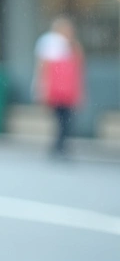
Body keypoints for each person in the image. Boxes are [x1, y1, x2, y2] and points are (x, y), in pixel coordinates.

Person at [33, 16, 84, 157]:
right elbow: (44, 70)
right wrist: (42, 89)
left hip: (67, 91)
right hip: (56, 91)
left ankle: (59, 146)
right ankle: (59, 146)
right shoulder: (51, 44)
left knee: (65, 120)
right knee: (62, 120)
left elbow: (77, 70)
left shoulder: (72, 46)